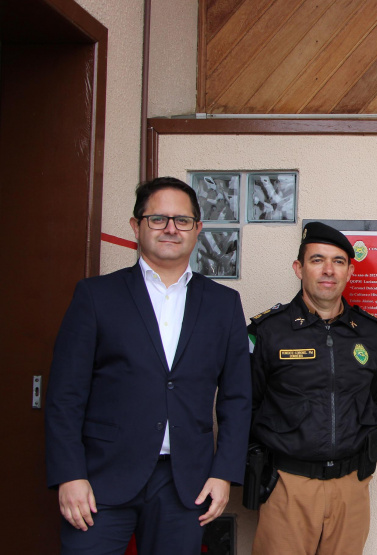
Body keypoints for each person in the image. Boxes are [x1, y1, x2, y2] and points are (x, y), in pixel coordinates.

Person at [45, 177, 252, 554]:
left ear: (198, 229)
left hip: (184, 483)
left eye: (182, 220)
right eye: (158, 218)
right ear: (136, 226)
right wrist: (69, 474)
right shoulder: (95, 296)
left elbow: (237, 399)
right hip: (99, 480)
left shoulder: (223, 304)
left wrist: (224, 473)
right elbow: (64, 395)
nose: (171, 228)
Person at [248, 221, 377, 555]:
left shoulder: (370, 335)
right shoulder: (269, 333)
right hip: (288, 484)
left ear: (349, 271)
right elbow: (245, 403)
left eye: (338, 261)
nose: (328, 270)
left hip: (350, 487)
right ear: (299, 268)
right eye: (317, 260)